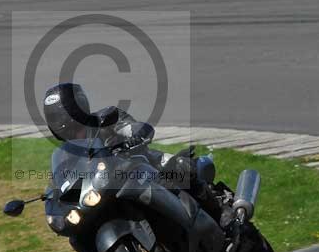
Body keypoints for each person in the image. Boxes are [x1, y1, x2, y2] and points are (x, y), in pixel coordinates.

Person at [42, 82, 237, 231]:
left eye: (75, 127)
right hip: (109, 190)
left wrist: (135, 135)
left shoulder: (106, 118)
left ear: (82, 112)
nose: (74, 134)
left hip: (147, 166)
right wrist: (53, 197)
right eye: (67, 131)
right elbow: (60, 182)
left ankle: (220, 210)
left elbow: (134, 127)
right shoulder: (64, 155)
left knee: (179, 168)